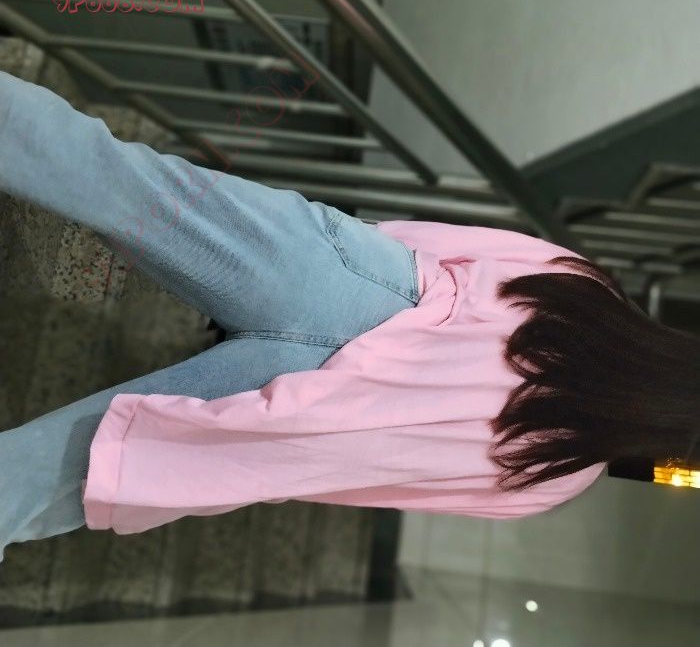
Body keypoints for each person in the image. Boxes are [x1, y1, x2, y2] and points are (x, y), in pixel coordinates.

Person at [1, 70, 698, 563]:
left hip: (352, 285)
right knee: (71, 470)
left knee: (119, 182)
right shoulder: (554, 478)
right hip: (319, 412)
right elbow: (385, 478)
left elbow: (436, 244)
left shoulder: (589, 297)